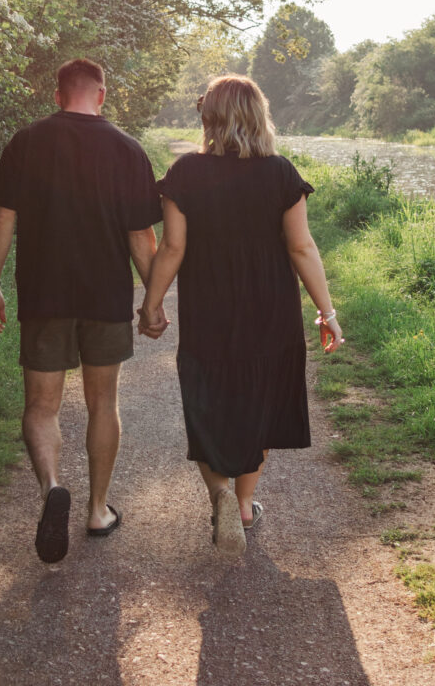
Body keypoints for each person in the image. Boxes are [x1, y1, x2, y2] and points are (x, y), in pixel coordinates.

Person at [138, 75, 344, 557]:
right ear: (259, 114)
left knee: (210, 405)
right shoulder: (280, 173)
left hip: (209, 314)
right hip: (270, 313)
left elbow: (171, 247)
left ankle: (221, 496)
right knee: (258, 405)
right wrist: (326, 311)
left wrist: (150, 305)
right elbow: (301, 246)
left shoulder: (185, 172)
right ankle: (245, 505)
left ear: (208, 116)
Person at [0, 59, 164, 563]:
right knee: (103, 404)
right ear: (102, 95)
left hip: (44, 295)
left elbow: (3, 217)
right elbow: (142, 239)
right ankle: (98, 510)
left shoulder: (26, 142)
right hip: (105, 298)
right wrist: (152, 302)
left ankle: (52, 488)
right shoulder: (128, 151)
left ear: (57, 94)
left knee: (41, 407)